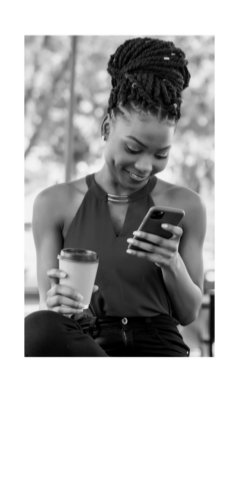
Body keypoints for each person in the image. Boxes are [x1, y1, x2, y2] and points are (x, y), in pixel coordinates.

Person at [25, 37, 206, 357]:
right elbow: (49, 313)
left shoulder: (186, 205)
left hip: (158, 350)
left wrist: (171, 262)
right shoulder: (54, 204)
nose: (144, 167)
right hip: (89, 348)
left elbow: (189, 313)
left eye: (161, 154)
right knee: (37, 327)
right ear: (106, 127)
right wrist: (57, 305)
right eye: (133, 148)